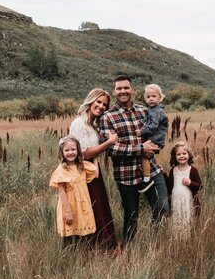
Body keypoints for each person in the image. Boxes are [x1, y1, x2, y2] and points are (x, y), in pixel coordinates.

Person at [100, 74, 169, 244]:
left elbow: (159, 133)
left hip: (151, 169)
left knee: (162, 207)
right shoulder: (107, 117)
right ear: (114, 92)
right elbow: (110, 148)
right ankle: (129, 251)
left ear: (132, 90)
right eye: (119, 88)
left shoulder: (145, 111)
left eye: (126, 87)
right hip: (126, 175)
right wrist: (140, 149)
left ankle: (155, 244)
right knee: (131, 217)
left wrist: (154, 148)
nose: (123, 91)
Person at [69, 88, 119, 250]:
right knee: (87, 208)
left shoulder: (94, 125)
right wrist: (109, 143)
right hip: (82, 173)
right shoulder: (79, 123)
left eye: (104, 104)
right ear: (91, 101)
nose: (101, 106)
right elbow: (84, 153)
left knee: (99, 206)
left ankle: (103, 244)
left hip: (93, 171)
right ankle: (89, 246)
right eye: (98, 102)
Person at [49, 136, 98, 247]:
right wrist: (68, 212)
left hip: (82, 205)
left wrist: (95, 157)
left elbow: (96, 174)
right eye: (67, 150)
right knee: (70, 233)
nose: (70, 152)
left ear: (78, 150)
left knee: (82, 230)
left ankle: (82, 255)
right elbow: (62, 192)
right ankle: (69, 256)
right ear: (61, 152)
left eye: (73, 149)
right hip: (69, 205)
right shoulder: (62, 169)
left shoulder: (81, 165)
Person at [165, 141, 202, 240]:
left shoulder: (192, 170)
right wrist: (162, 174)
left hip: (188, 201)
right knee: (177, 220)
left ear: (189, 155)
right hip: (176, 201)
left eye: (184, 153)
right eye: (179, 154)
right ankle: (177, 240)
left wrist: (190, 183)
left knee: (187, 220)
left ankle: (187, 241)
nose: (182, 156)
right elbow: (169, 186)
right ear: (175, 156)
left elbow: (199, 186)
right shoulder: (173, 170)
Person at [136, 83, 168, 193]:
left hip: (155, 139)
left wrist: (142, 131)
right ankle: (151, 172)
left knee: (144, 156)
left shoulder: (158, 111)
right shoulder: (150, 110)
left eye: (154, 96)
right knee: (146, 156)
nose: (151, 99)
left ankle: (147, 179)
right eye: (148, 97)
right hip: (153, 138)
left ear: (160, 97)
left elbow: (153, 126)